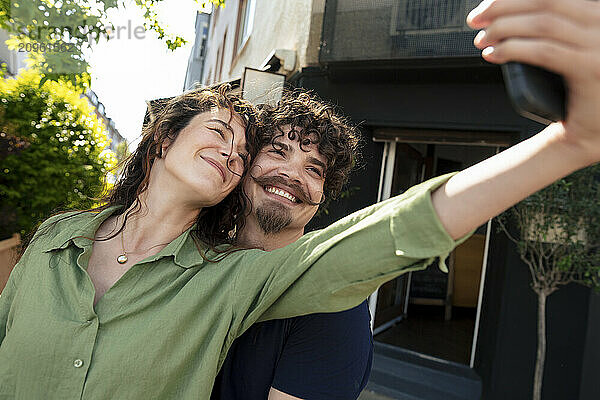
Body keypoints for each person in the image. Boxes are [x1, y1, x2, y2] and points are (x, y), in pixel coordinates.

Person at [1, 0, 599, 398]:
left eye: (241, 150)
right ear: (161, 139)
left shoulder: (229, 280)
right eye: (219, 133)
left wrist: (570, 141)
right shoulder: (56, 237)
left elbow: (376, 241)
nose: (232, 154)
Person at [211, 93, 373, 400]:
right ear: (245, 163)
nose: (291, 175)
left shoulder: (331, 302)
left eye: (314, 170)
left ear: (323, 194)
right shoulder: (197, 262)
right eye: (278, 152)